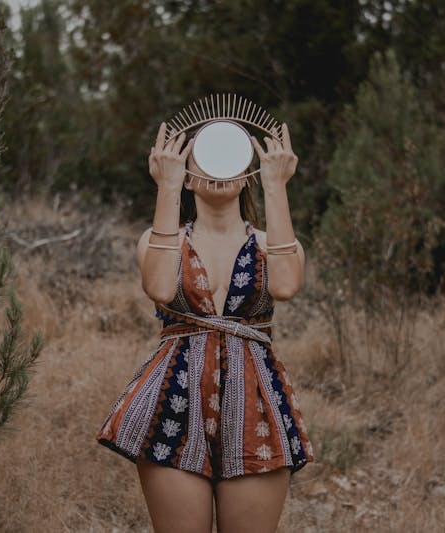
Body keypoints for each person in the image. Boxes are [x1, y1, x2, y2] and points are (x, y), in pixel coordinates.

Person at [95, 118, 315, 533]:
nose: (217, 169)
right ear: (189, 177)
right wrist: (166, 187)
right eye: (205, 159)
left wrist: (276, 185)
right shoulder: (161, 239)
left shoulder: (273, 244)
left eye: (228, 159)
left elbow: (286, 285)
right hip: (173, 399)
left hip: (255, 404)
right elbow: (159, 286)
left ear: (246, 173)